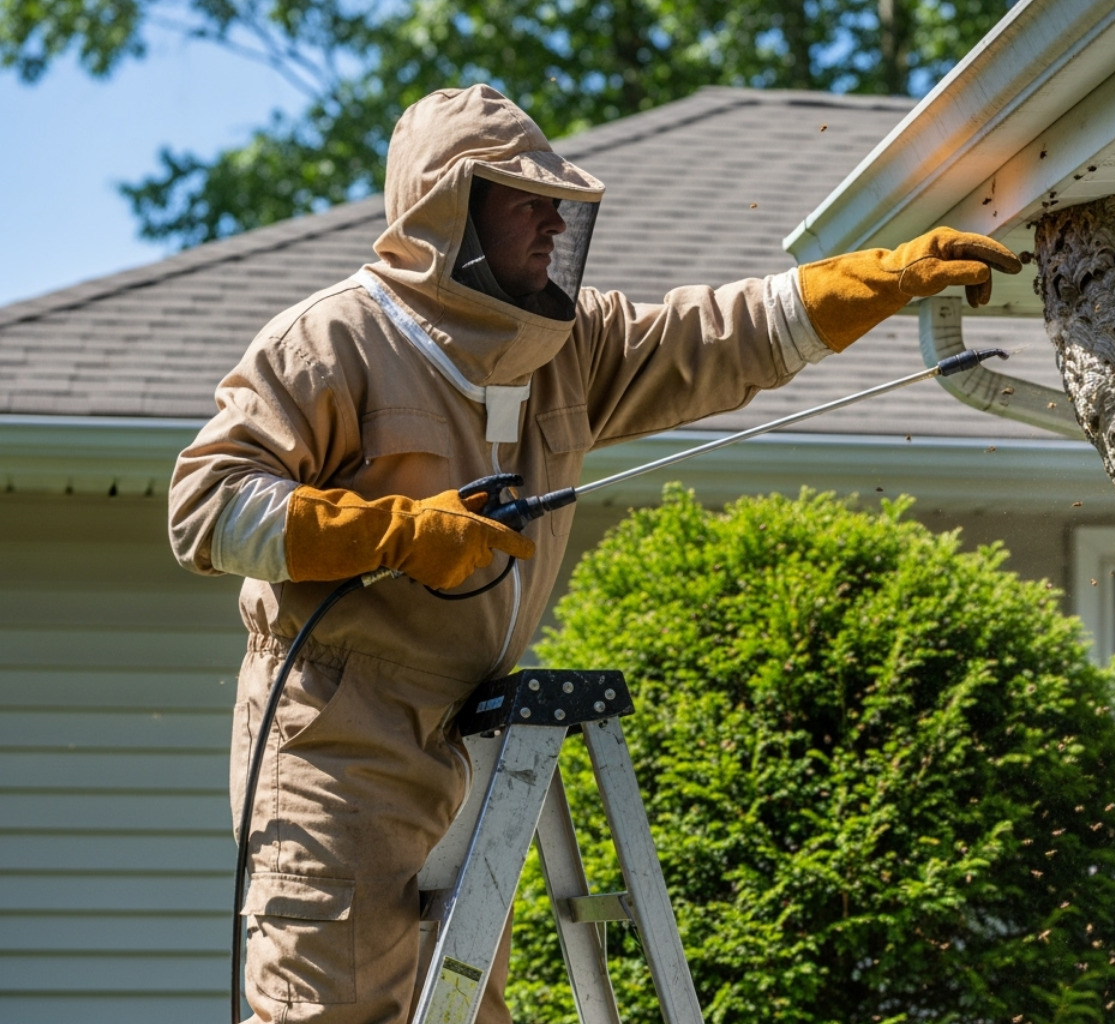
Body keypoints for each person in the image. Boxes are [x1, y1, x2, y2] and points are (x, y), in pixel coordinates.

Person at [168, 83, 1021, 1024]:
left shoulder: (571, 345)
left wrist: (882, 279)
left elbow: (716, 333)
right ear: (447, 209)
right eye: (519, 196)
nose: (549, 219)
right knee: (330, 1010)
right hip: (336, 727)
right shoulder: (334, 340)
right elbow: (206, 509)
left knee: (457, 1009)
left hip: (468, 732)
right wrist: (399, 533)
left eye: (556, 200)